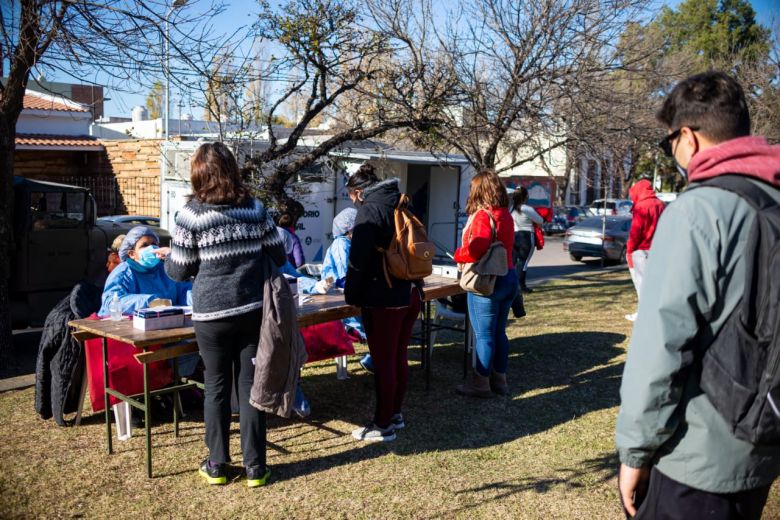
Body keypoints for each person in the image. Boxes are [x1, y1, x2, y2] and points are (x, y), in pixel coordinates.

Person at [615, 71, 780, 519]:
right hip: (763, 440)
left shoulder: (698, 211)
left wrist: (635, 451)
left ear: (687, 137)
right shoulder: (773, 199)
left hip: (696, 457)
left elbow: (661, 346)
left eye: (670, 143)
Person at [165, 142, 287, 487]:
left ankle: (217, 464)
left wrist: (170, 257)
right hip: (252, 311)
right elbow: (278, 254)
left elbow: (178, 271)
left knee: (216, 387)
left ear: (198, 174)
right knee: (250, 387)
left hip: (211, 316)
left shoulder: (190, 215)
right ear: (232, 170)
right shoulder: (256, 209)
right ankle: (255, 468)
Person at [345, 164, 422, 443]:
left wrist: (351, 296)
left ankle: (382, 424)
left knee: (383, 361)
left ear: (358, 192)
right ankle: (395, 414)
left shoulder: (370, 210)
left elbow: (357, 260)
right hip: (411, 291)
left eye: (351, 197)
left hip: (383, 296)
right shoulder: (402, 203)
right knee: (398, 357)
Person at [454, 170, 517, 398]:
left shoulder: (483, 215)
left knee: (484, 335)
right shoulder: (506, 214)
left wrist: (458, 255)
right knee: (499, 333)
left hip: (487, 280)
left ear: (478, 191)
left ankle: (480, 382)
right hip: (508, 276)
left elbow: (476, 249)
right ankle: (500, 380)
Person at [623, 179, 665, 322]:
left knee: (641, 284)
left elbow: (636, 232)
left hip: (641, 251)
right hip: (658, 250)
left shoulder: (641, 206)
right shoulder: (661, 205)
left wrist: (629, 250)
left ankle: (643, 314)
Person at [510, 187, 543, 294]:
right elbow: (540, 220)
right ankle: (521, 287)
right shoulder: (526, 208)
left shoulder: (511, 209)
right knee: (523, 263)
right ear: (526, 196)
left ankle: (512, 285)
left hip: (514, 235)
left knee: (513, 262)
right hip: (526, 236)